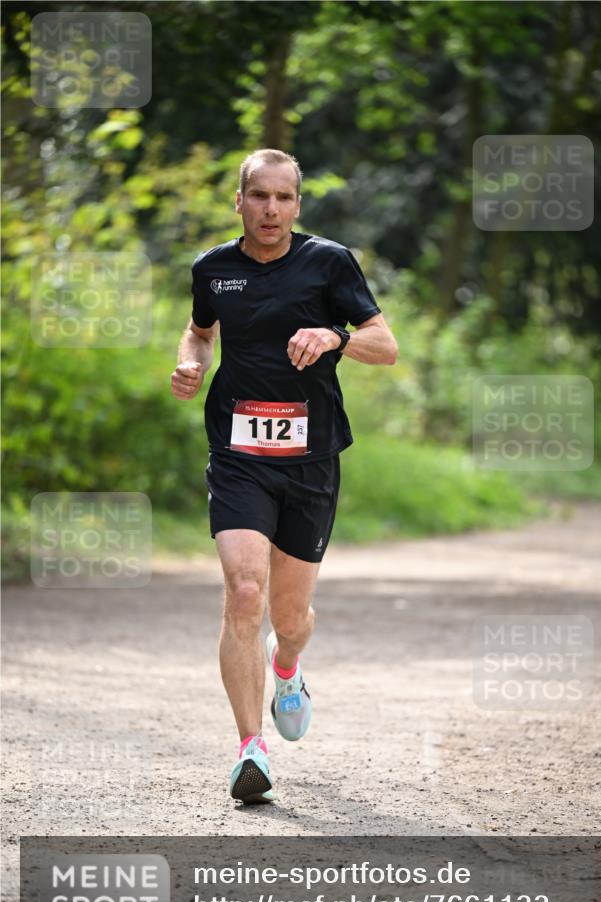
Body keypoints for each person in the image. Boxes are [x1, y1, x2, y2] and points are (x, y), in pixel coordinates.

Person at [170, 148, 398, 804]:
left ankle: (288, 668)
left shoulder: (328, 262)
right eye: (258, 196)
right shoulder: (213, 268)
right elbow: (199, 330)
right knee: (244, 593)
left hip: (310, 458)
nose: (270, 209)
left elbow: (385, 346)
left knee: (289, 615)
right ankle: (250, 751)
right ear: (237, 201)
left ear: (297, 205)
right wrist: (190, 361)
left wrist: (333, 337)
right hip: (238, 452)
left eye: (283, 198)